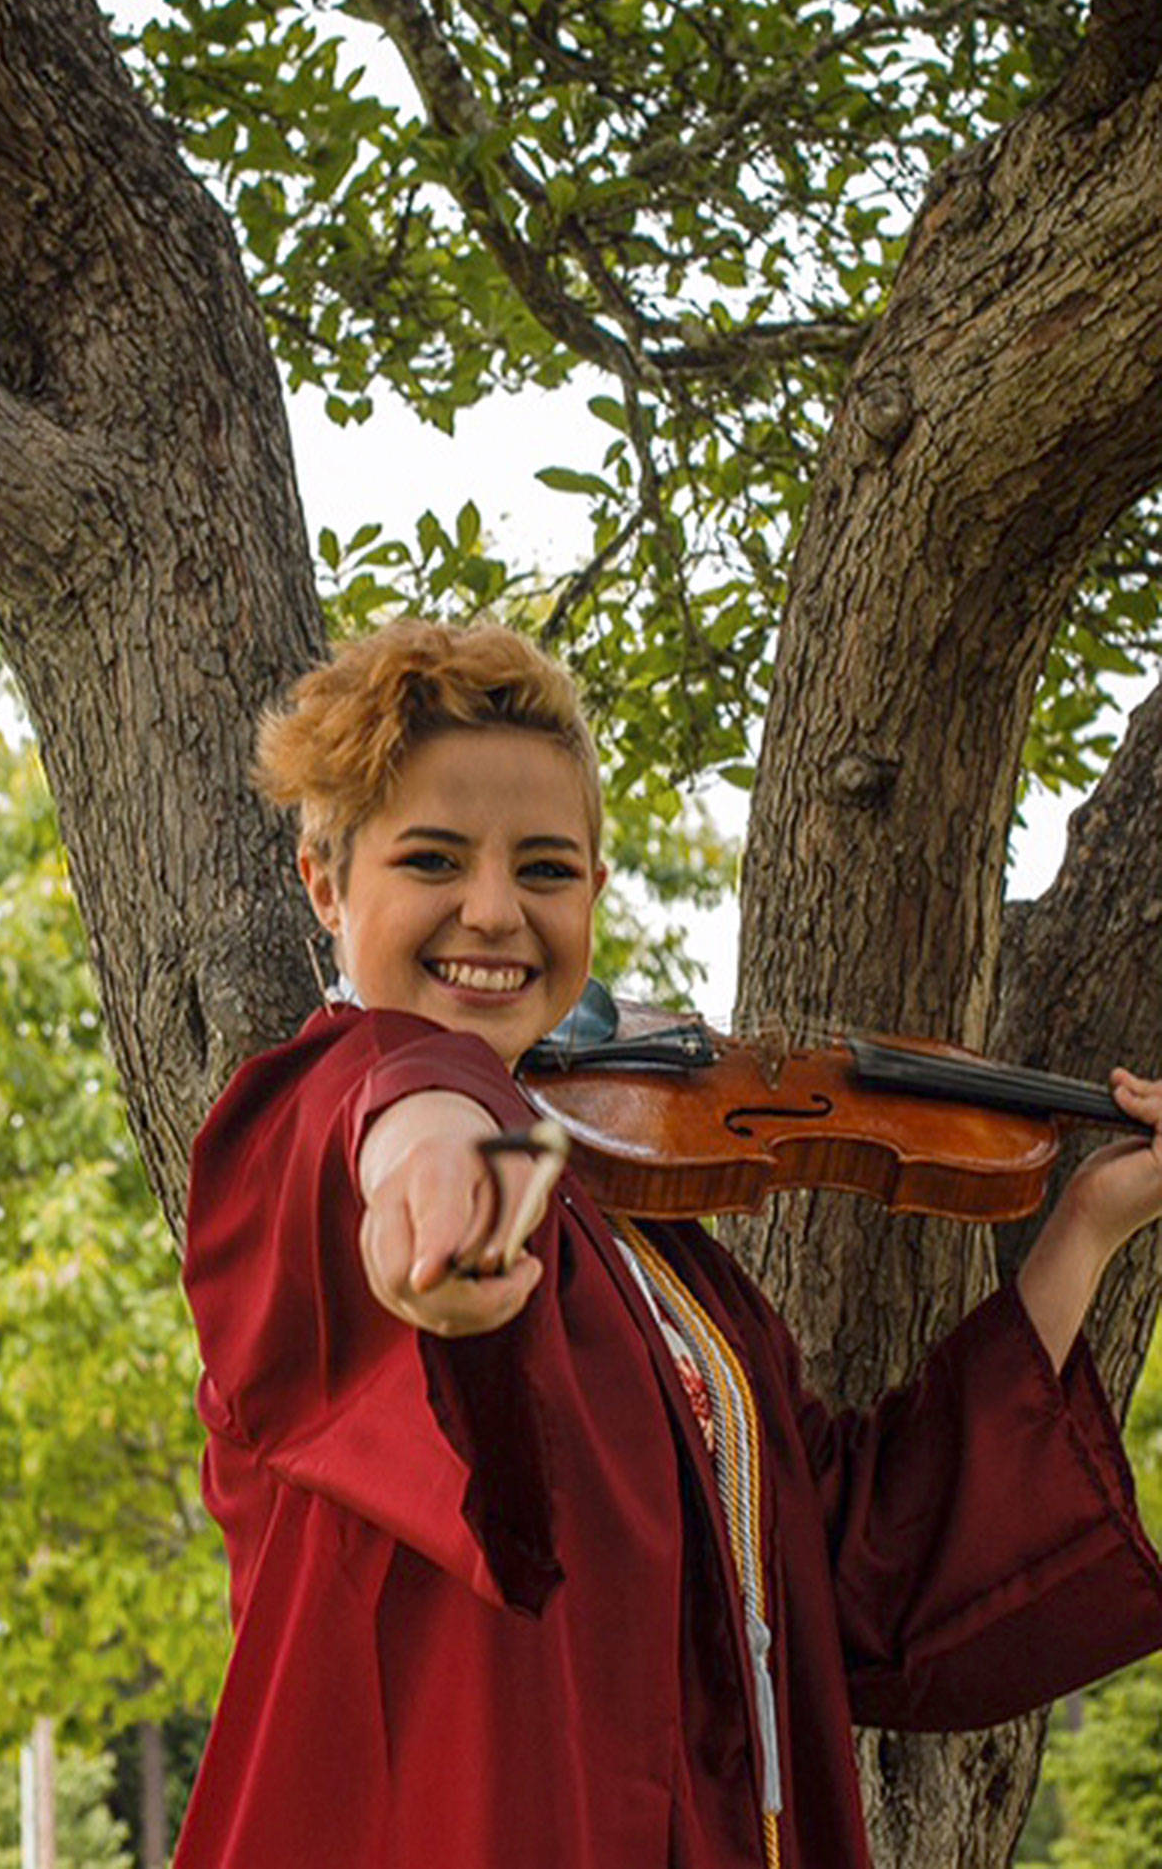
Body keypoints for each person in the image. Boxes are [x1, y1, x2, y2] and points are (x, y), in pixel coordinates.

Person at [172, 619, 1162, 1869]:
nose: (493, 911)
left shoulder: (655, 1250)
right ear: (325, 882)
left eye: (543, 869)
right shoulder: (306, 1122)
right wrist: (433, 1161)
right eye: (431, 859)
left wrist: (1085, 1228)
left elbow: (847, 1558)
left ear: (591, 890)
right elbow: (401, 1101)